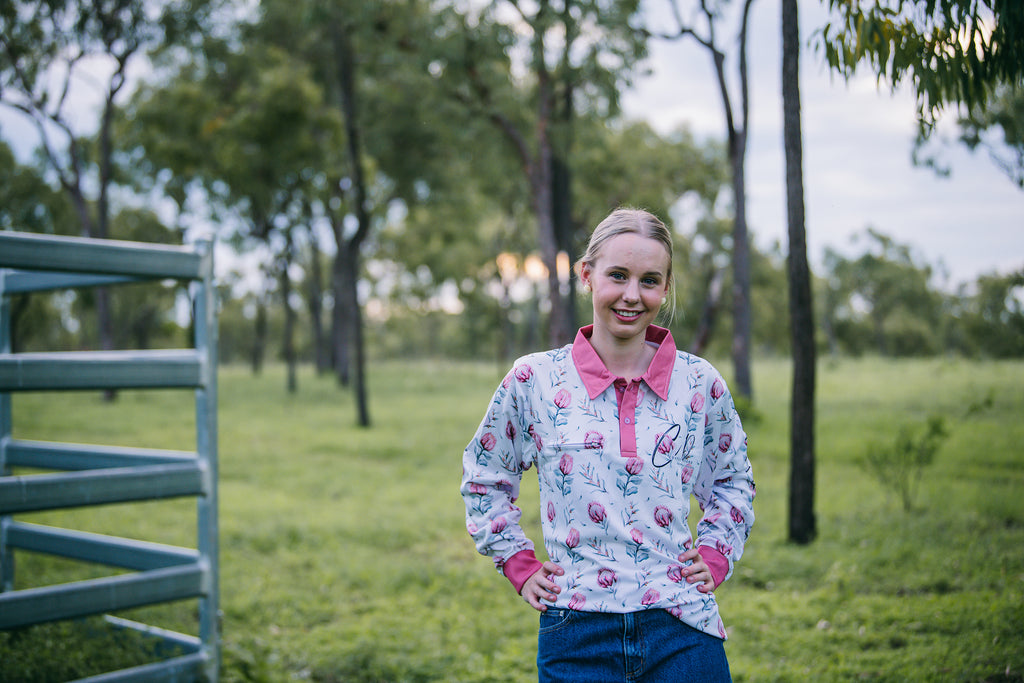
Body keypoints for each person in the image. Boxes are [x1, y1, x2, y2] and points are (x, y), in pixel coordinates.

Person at [460, 207, 755, 682]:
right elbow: (484, 478)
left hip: (681, 624)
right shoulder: (534, 379)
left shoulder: (699, 381)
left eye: (650, 281)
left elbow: (731, 479)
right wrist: (517, 560)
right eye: (618, 275)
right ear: (587, 275)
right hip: (576, 631)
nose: (632, 296)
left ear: (665, 287)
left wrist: (718, 550)